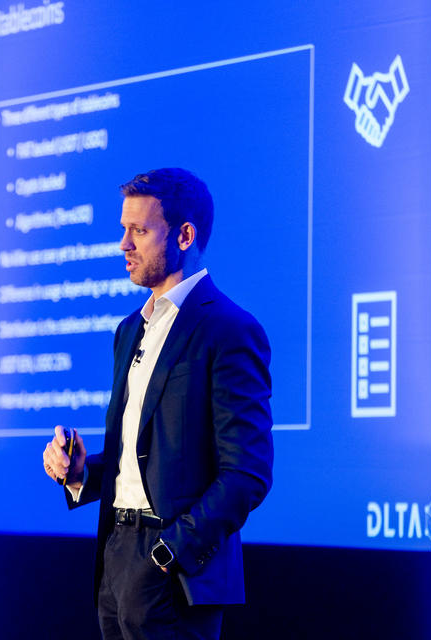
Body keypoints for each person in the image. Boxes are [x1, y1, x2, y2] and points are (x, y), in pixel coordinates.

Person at [42, 168, 273, 640]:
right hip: (116, 556)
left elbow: (247, 473)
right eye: (123, 229)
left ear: (184, 235)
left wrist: (170, 552)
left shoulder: (229, 330)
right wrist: (81, 472)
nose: (123, 244)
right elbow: (145, 457)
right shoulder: (130, 329)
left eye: (139, 231)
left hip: (175, 570)